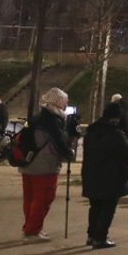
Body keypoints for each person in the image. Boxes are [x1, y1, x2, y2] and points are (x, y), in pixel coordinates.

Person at [81, 102, 128, 249]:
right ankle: (100, 237)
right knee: (108, 208)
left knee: (95, 206)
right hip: (110, 176)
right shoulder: (115, 134)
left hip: (91, 174)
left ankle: (91, 235)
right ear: (116, 118)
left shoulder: (91, 132)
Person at [20, 88, 75, 242]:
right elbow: (60, 143)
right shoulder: (53, 120)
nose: (66, 104)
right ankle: (33, 231)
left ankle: (30, 227)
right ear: (58, 102)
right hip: (45, 166)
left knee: (30, 199)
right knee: (43, 199)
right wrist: (69, 151)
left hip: (29, 163)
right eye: (65, 100)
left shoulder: (37, 117)